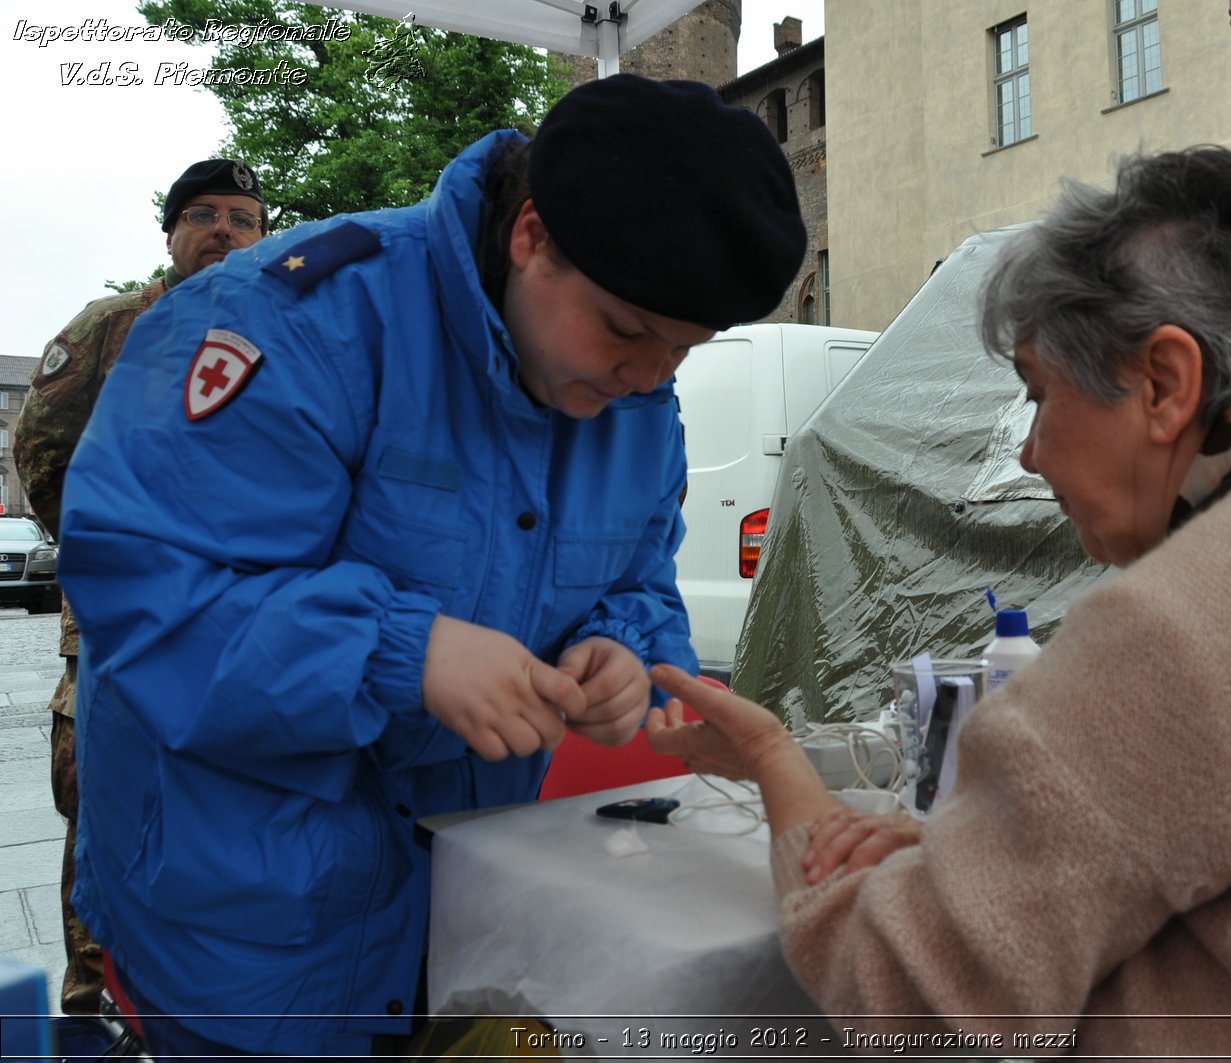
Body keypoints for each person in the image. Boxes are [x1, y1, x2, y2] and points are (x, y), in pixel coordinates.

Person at [645, 147, 1231, 1057]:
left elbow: (902, 992)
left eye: (1037, 395)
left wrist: (776, 762)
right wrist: (970, 852)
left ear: (1165, 384)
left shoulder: (1182, 622)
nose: (1027, 452)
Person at [56, 75, 804, 1058]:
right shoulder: (289, 320)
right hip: (249, 923)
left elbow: (635, 581)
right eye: (626, 332)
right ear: (530, 235)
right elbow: (153, 598)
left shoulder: (630, 394)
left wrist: (623, 650)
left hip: (470, 893)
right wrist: (398, 652)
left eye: (686, 350)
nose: (648, 378)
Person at [13, 157, 268, 1017]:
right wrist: (112, 557)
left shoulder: (289, 326)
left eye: (242, 217)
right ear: (170, 234)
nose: (223, 231)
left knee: (219, 816)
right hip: (120, 633)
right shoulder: (117, 325)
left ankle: (194, 998)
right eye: (203, 214)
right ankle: (93, 1002)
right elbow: (41, 449)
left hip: (242, 629)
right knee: (103, 813)